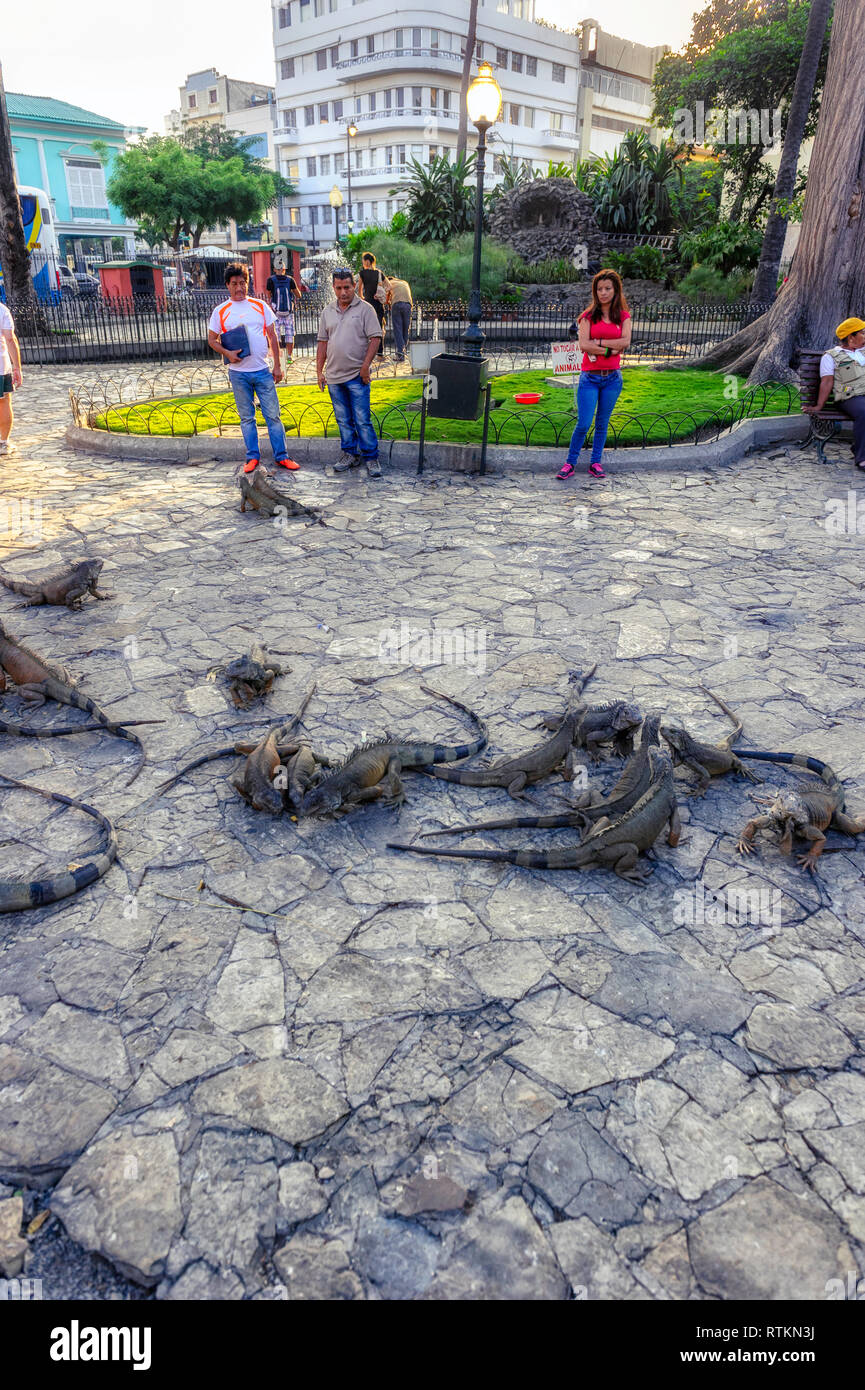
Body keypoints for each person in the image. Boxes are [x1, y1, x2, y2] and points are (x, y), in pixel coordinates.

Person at [207, 261, 299, 473]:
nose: (239, 288)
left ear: (247, 283)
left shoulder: (260, 306)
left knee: (273, 416)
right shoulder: (220, 311)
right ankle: (252, 457)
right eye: (234, 284)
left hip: (262, 371)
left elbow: (273, 336)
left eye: (242, 283)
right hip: (238, 374)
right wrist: (227, 353)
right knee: (247, 418)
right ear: (227, 285)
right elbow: (212, 340)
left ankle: (282, 456)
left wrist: (277, 365)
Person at [556, 269, 632, 481]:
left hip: (612, 379)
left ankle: (595, 462)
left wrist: (596, 345)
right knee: (583, 422)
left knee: (602, 423)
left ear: (616, 290)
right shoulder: (587, 317)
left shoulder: (623, 317)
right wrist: (608, 349)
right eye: (599, 289)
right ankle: (570, 463)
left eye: (608, 288)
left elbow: (625, 342)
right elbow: (583, 344)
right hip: (590, 377)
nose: (603, 293)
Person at [317, 267, 383, 478]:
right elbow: (322, 343)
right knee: (343, 419)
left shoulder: (365, 310)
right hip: (334, 377)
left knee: (362, 419)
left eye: (347, 287)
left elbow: (375, 338)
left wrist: (365, 367)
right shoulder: (328, 311)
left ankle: (371, 458)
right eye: (338, 288)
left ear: (354, 286)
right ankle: (349, 454)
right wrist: (319, 371)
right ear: (333, 288)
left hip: (357, 375)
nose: (343, 292)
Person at [803, 317, 865, 468]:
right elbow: (827, 382)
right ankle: (862, 457)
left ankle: (858, 447)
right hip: (849, 397)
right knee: (864, 411)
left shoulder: (863, 352)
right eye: (862, 333)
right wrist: (819, 405)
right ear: (851, 337)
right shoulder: (831, 356)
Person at [264, 262, 301, 369]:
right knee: (290, 334)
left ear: (275, 269)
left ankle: (278, 356)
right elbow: (298, 294)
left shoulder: (271, 280)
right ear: (284, 269)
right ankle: (289, 356)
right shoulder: (290, 280)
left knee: (275, 335)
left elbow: (268, 294)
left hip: (276, 312)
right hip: (288, 312)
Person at [0, 302, 23, 458]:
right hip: (0, 366)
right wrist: (17, 367)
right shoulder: (2, 310)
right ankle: (3, 442)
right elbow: (10, 339)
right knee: (4, 402)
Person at [357, 252, 386, 357]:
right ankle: (379, 353)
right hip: (379, 304)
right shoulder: (379, 273)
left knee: (365, 328)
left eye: (363, 260)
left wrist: (363, 298)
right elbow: (389, 286)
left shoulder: (362, 273)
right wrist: (381, 294)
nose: (362, 262)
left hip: (368, 304)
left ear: (367, 261)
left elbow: (359, 289)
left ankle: (367, 352)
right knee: (379, 328)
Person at [386, 273, 413, 363]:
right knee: (406, 329)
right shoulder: (404, 282)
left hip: (397, 304)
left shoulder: (389, 283)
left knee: (398, 329)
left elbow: (386, 296)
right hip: (408, 304)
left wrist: (388, 303)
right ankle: (402, 352)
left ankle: (400, 355)